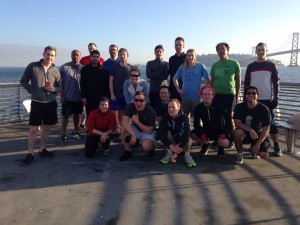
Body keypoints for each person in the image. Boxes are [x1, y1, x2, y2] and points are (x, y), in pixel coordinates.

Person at [20, 46, 61, 166]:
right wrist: (32, 91)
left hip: (50, 103)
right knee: (33, 129)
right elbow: (23, 81)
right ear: (43, 54)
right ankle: (30, 153)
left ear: (55, 57)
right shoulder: (33, 66)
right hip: (37, 103)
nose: (50, 57)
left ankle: (42, 149)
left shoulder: (55, 71)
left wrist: (54, 89)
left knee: (47, 128)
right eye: (48, 54)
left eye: (52, 55)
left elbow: (60, 88)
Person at [244, 42, 282, 157]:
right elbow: (246, 84)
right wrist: (246, 97)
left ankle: (276, 146)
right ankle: (253, 145)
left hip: (267, 100)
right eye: (258, 50)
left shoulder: (272, 66)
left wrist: (276, 98)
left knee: (272, 124)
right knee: (253, 124)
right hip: (253, 99)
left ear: (266, 51)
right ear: (255, 51)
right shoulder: (251, 66)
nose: (260, 52)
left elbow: (276, 84)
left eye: (263, 50)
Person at [233, 86, 271, 165]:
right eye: (248, 93)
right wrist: (250, 130)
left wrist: (258, 144)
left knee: (264, 155)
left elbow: (266, 129)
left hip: (258, 135)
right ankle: (240, 154)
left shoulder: (264, 109)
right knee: (237, 132)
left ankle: (254, 149)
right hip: (245, 134)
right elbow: (237, 123)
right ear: (245, 95)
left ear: (258, 95)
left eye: (254, 93)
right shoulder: (239, 107)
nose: (251, 95)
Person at [192, 86, 232, 157]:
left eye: (209, 94)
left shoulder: (219, 105)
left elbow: (228, 119)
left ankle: (220, 148)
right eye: (204, 94)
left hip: (219, 131)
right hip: (206, 130)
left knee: (226, 143)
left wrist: (225, 133)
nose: (207, 96)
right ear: (201, 96)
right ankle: (205, 144)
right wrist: (201, 133)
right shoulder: (198, 108)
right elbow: (196, 124)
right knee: (193, 134)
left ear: (213, 96)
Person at [119, 91, 156, 161]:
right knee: (123, 128)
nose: (138, 103)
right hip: (136, 130)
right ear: (134, 100)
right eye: (136, 100)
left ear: (145, 101)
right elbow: (124, 121)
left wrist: (137, 122)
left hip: (147, 132)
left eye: (141, 100)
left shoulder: (151, 111)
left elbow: (149, 131)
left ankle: (151, 148)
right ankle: (128, 151)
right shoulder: (130, 106)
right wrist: (133, 135)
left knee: (146, 146)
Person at [159, 99, 196, 167]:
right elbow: (161, 134)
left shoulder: (184, 117)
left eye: (173, 107)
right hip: (172, 142)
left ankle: (187, 155)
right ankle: (169, 153)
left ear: (178, 108)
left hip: (181, 143)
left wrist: (176, 152)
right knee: (166, 132)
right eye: (169, 107)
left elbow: (186, 135)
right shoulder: (165, 117)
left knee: (189, 138)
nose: (170, 109)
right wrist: (171, 146)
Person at [173, 48, 210, 117]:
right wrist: (179, 90)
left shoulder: (200, 66)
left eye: (192, 55)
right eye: (188, 55)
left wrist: (202, 91)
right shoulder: (182, 67)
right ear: (186, 56)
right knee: (184, 117)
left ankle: (198, 128)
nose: (190, 57)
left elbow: (207, 79)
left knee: (198, 117)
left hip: (196, 96)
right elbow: (174, 79)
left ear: (195, 56)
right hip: (185, 96)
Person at [210, 42, 241, 116]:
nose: (221, 51)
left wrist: (237, 96)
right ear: (217, 52)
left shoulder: (234, 63)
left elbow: (238, 81)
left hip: (230, 94)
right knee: (217, 116)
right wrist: (211, 95)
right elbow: (212, 81)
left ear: (227, 50)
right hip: (216, 94)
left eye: (223, 49)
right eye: (219, 49)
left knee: (230, 116)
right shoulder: (214, 65)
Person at [60, 50, 84, 143]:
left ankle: (76, 132)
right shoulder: (63, 68)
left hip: (79, 98)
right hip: (67, 97)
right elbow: (60, 83)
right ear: (71, 56)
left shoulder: (83, 68)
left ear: (80, 56)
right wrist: (62, 96)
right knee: (65, 116)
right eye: (74, 55)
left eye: (78, 55)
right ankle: (63, 133)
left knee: (77, 116)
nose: (76, 56)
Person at [80, 50, 110, 118]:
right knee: (90, 116)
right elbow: (82, 84)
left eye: (97, 57)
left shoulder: (104, 70)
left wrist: (107, 98)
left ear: (99, 58)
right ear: (90, 57)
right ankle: (90, 129)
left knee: (102, 116)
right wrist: (83, 96)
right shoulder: (85, 69)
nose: (95, 58)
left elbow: (107, 85)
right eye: (93, 56)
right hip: (89, 97)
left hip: (102, 98)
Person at [109, 48, 131, 138]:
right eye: (120, 54)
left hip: (126, 95)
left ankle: (124, 131)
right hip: (116, 94)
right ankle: (116, 131)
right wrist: (112, 94)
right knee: (114, 113)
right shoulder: (115, 67)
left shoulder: (130, 67)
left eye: (123, 54)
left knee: (124, 114)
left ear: (127, 55)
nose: (122, 56)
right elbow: (110, 81)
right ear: (118, 56)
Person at [169, 37, 186, 101]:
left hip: (184, 88)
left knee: (185, 109)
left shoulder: (187, 58)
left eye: (180, 45)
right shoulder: (171, 59)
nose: (178, 46)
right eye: (176, 45)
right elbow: (170, 73)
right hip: (173, 88)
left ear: (183, 45)